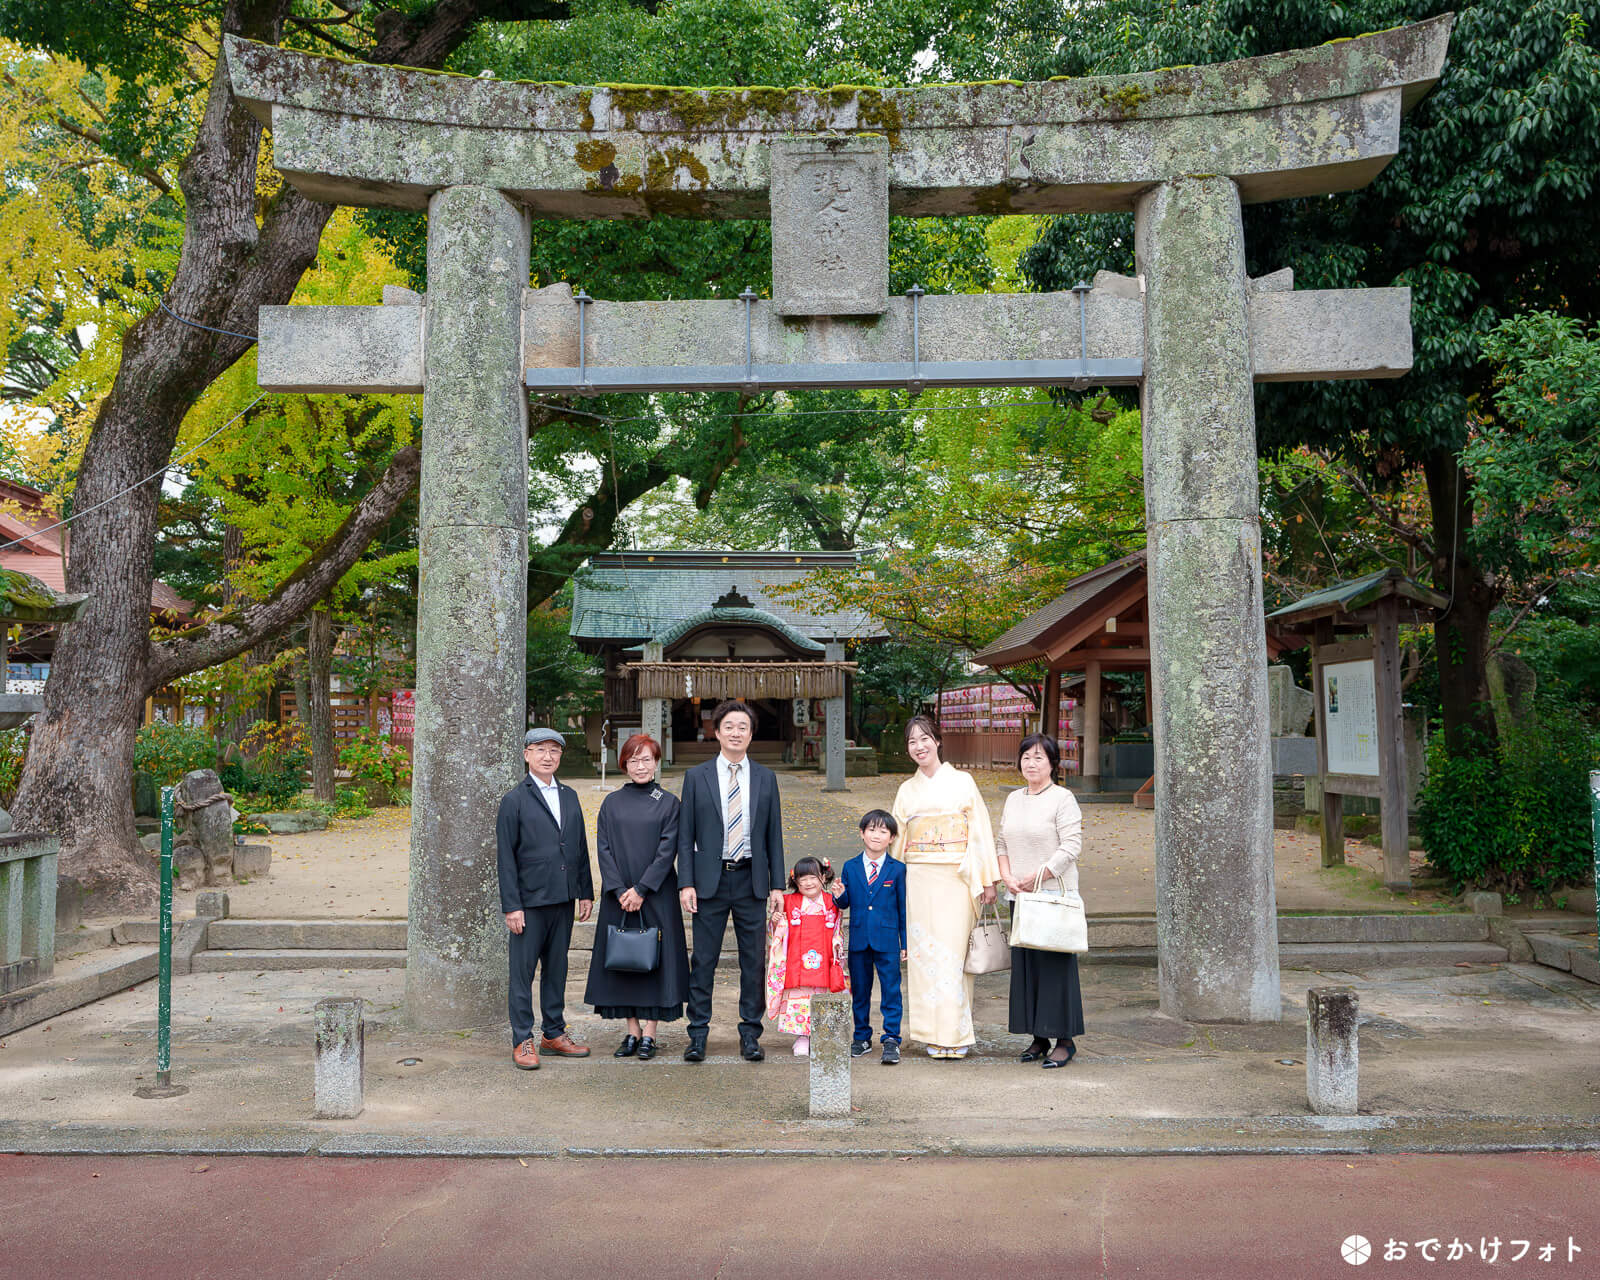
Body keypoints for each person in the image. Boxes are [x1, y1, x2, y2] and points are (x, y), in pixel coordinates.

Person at [677, 698, 785, 1063]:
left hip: (751, 879)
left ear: (751, 734)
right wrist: (686, 882)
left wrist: (775, 886)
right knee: (703, 959)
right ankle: (698, 1033)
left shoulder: (766, 778)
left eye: (743, 727)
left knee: (753, 961)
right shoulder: (696, 777)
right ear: (717, 732)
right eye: (729, 727)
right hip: (710, 880)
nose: (736, 732)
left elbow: (774, 835)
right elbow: (685, 834)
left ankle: (750, 1033)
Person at [891, 714, 999, 1059]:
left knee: (954, 956)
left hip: (957, 877)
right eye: (912, 741)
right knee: (923, 957)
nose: (919, 746)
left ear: (937, 741)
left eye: (924, 738)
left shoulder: (963, 781)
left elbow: (980, 831)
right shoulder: (906, 791)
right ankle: (930, 1034)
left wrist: (986, 880)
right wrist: (890, 883)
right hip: (918, 879)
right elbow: (897, 841)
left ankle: (955, 1034)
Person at [584, 733, 690, 1062]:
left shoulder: (670, 803)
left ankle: (651, 1034)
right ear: (624, 765)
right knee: (624, 962)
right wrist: (618, 889)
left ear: (657, 763)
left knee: (655, 963)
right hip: (619, 896)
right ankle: (632, 1031)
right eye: (633, 760)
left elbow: (667, 849)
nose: (640, 766)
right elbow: (603, 849)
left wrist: (642, 889)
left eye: (646, 759)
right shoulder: (611, 803)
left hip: (656, 894)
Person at [496, 727, 594, 1071]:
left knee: (557, 969)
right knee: (522, 974)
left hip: (563, 898)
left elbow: (579, 845)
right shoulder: (514, 800)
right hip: (528, 902)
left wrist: (585, 891)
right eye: (540, 749)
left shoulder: (568, 795)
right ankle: (522, 1037)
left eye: (554, 750)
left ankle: (553, 1033)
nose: (547, 756)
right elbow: (505, 857)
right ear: (527, 755)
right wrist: (512, 905)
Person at [997, 733, 1085, 1069]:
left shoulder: (1063, 799)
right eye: (1026, 757)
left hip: (1050, 896)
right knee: (1027, 968)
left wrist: (1038, 877)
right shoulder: (1013, 799)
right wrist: (1007, 877)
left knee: (1055, 969)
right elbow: (1001, 842)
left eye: (1039, 757)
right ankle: (1038, 1037)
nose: (1031, 763)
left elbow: (1071, 847)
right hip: (1019, 895)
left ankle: (1065, 1040)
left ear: (1052, 763)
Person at [830, 810, 908, 1065]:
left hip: (887, 941)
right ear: (862, 833)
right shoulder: (851, 866)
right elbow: (845, 902)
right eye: (871, 829)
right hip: (860, 940)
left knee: (891, 990)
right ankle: (861, 1036)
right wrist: (839, 894)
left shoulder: (898, 869)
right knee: (860, 991)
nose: (877, 835)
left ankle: (892, 1039)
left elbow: (903, 908)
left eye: (883, 831)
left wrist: (904, 943)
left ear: (892, 838)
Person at [764, 856, 847, 1056]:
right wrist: (776, 922)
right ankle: (802, 1037)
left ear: (823, 877)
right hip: (796, 960)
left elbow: (838, 929)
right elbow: (777, 932)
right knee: (799, 999)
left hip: (824, 958)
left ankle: (822, 1036)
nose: (808, 883)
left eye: (813, 877)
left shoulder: (831, 901)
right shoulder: (789, 901)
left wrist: (837, 944)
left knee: (823, 995)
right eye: (803, 879)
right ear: (795, 881)